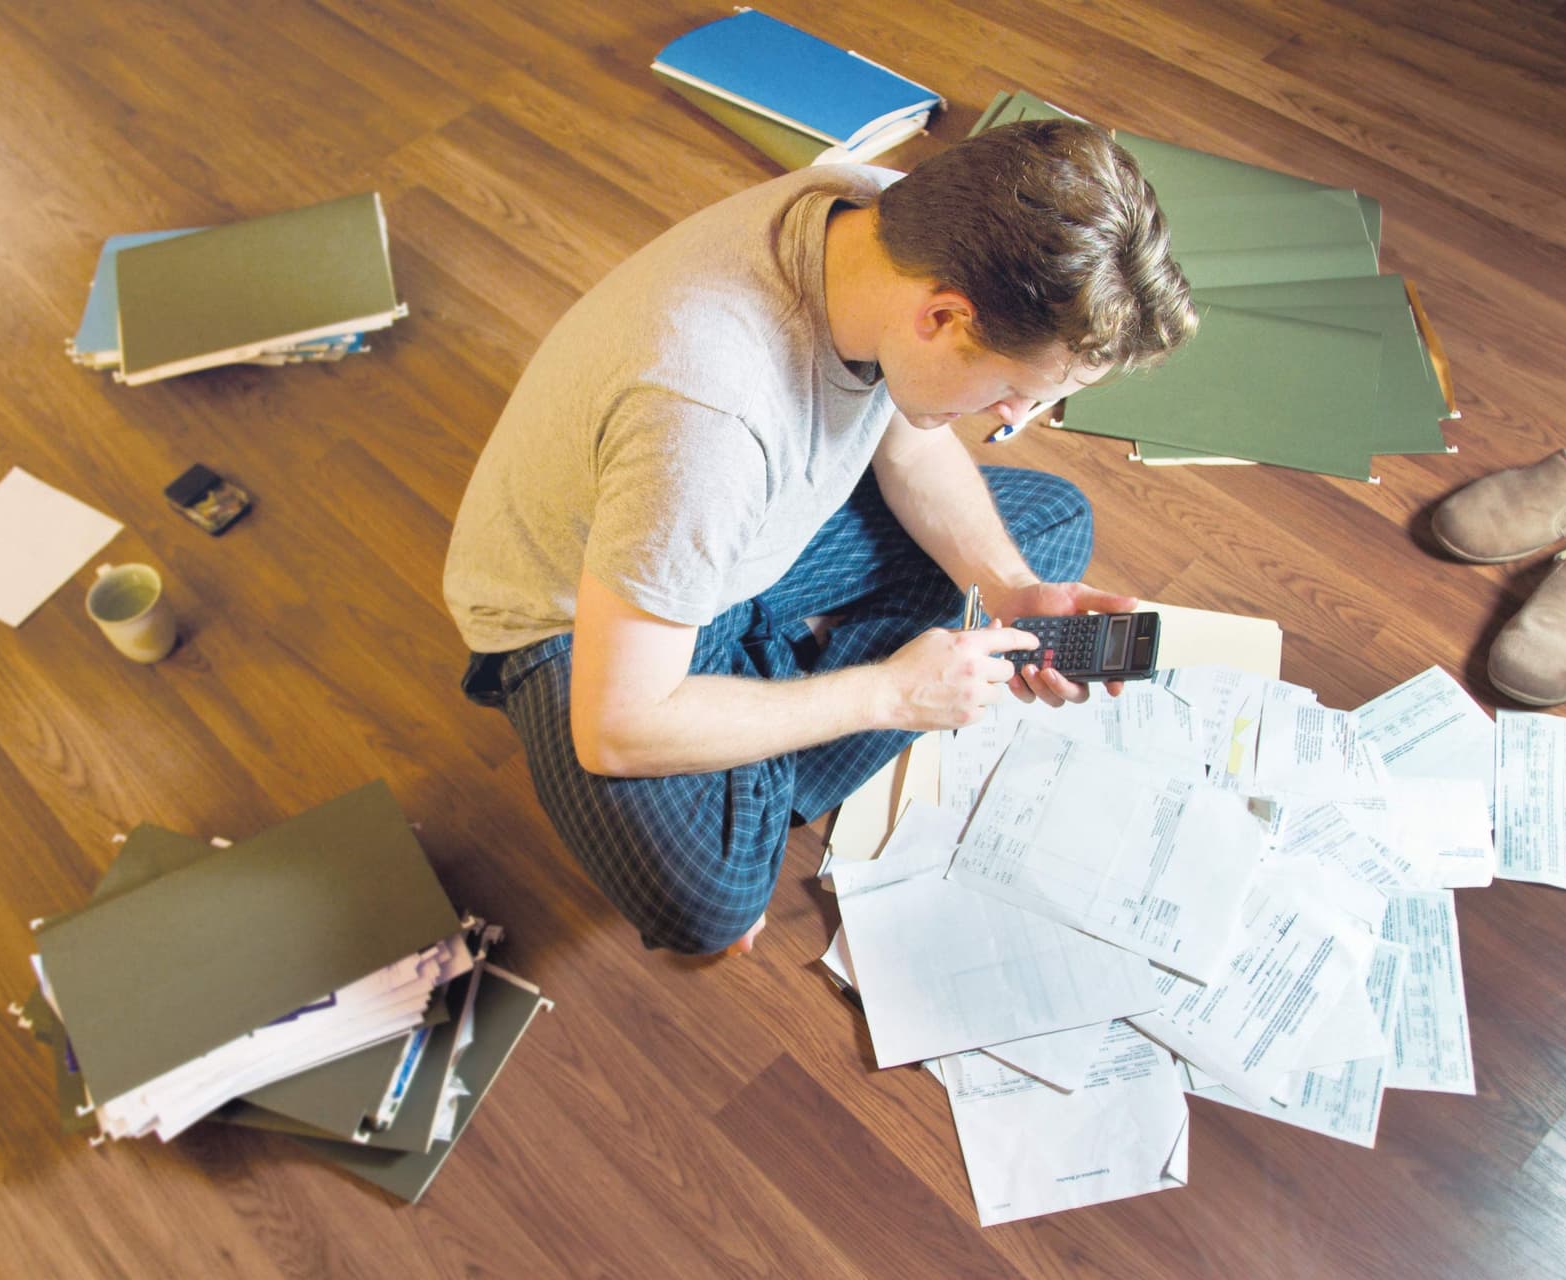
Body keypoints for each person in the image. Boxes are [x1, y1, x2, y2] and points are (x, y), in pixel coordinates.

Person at [443, 119, 1196, 956]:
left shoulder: (885, 223)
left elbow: (905, 435)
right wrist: (891, 696)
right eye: (1017, 391)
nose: (1016, 420)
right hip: (578, 619)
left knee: (1052, 530)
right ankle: (768, 702)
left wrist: (1014, 592)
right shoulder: (705, 420)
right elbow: (616, 727)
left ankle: (754, 709)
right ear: (943, 317)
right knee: (713, 905)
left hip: (725, 535)